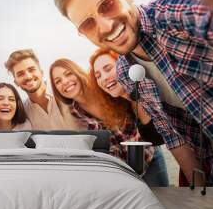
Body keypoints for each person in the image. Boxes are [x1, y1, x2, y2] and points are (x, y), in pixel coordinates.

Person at [53, 0, 213, 185]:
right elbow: (171, 134)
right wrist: (198, 192)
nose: (106, 26)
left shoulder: (170, 13)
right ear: (82, 33)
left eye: (107, 4)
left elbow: (207, 14)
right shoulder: (124, 73)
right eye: (88, 24)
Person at [50, 58, 166, 186]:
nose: (65, 82)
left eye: (68, 74)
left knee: (162, 201)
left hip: (148, 157)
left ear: (77, 72)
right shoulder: (73, 114)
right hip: (122, 174)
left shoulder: (103, 88)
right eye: (58, 81)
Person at [90, 49, 173, 186]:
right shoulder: (126, 106)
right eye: (98, 75)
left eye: (108, 68)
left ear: (123, 65)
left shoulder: (147, 91)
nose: (104, 77)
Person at [5, 49, 82, 130]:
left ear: (41, 72)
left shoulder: (67, 92)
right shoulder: (23, 112)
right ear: (16, 82)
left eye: (31, 70)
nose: (28, 76)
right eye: (20, 74)